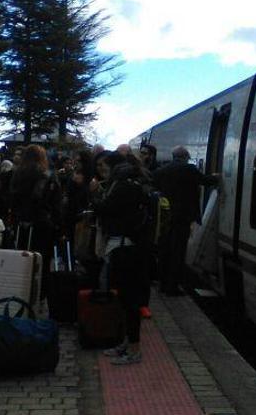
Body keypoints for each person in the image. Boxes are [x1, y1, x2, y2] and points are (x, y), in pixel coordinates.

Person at [91, 151, 150, 365]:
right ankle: (127, 342)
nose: (100, 171)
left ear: (114, 166)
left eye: (103, 166)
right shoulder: (132, 183)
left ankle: (134, 350)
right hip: (129, 245)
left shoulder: (123, 186)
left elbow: (105, 209)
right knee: (126, 299)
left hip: (125, 247)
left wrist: (95, 194)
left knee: (129, 299)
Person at [152, 146, 218, 296]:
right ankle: (172, 286)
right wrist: (216, 176)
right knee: (178, 252)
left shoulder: (161, 171)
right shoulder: (189, 169)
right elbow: (206, 181)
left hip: (165, 217)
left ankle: (162, 282)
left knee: (165, 250)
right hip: (182, 217)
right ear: (186, 156)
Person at [10, 144, 62, 303]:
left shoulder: (16, 175)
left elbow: (11, 199)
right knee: (42, 262)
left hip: (22, 223)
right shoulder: (47, 175)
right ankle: (40, 296)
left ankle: (20, 294)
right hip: (42, 223)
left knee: (22, 259)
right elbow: (56, 203)